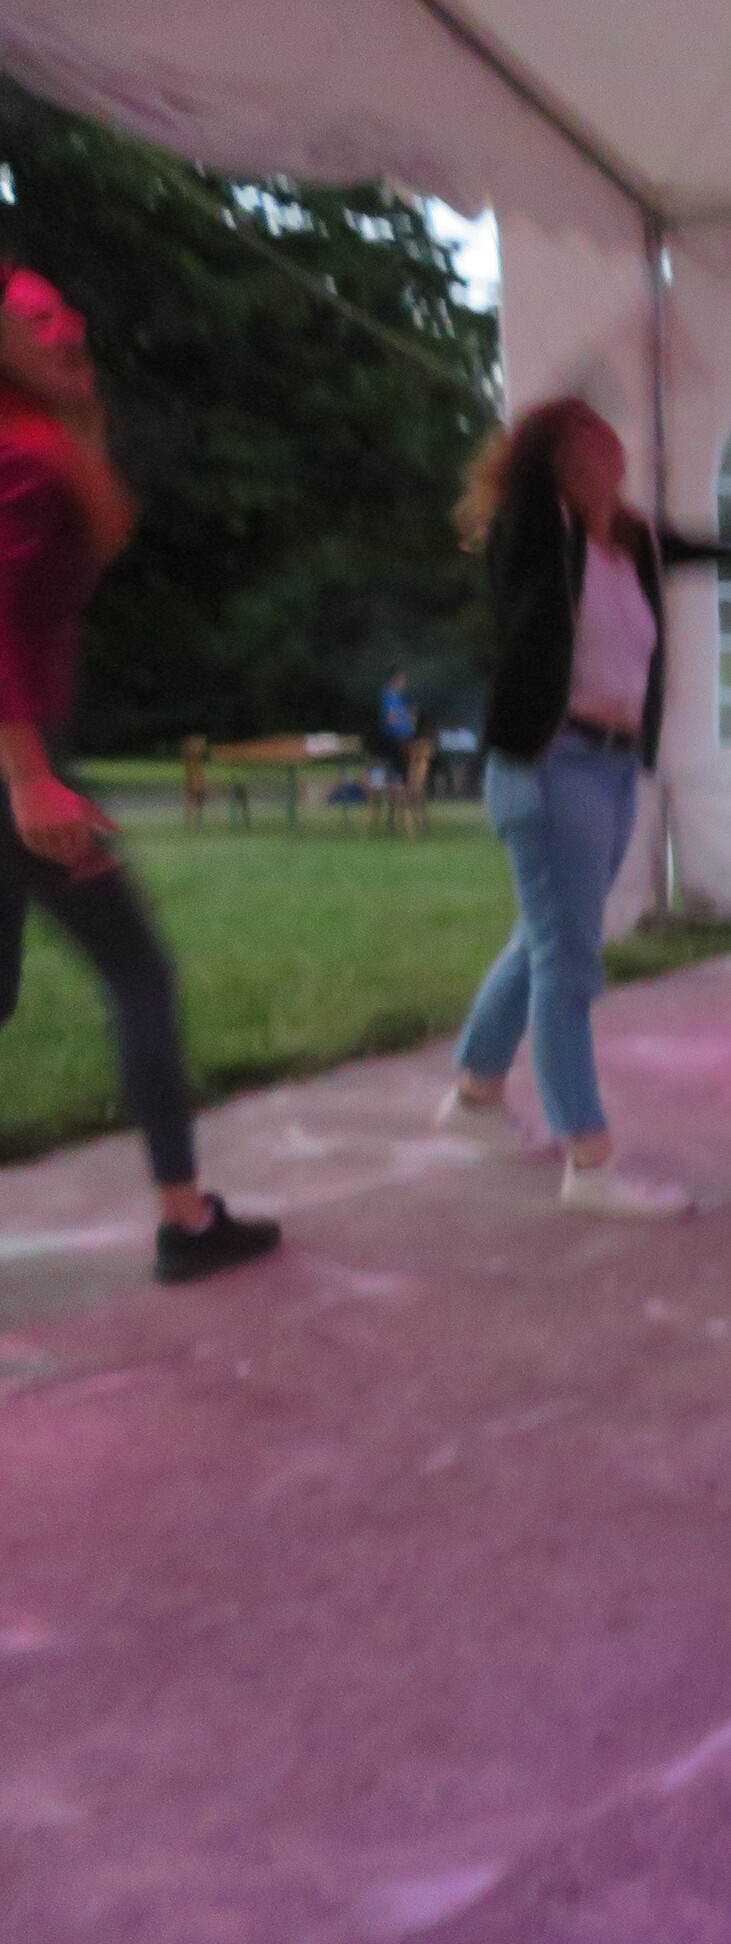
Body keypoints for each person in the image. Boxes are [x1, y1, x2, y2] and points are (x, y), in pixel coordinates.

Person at [0, 257, 281, 1282]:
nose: (64, 322)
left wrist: (80, 423)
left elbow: (107, 534)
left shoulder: (43, 440)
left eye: (64, 309)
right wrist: (30, 779)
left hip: (26, 753)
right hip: (16, 761)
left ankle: (185, 1216)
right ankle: (185, 1221)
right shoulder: (18, 454)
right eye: (34, 317)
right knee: (139, 973)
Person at [435, 398, 731, 1215]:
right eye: (593, 441)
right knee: (566, 964)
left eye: (611, 438)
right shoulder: (533, 537)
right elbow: (533, 507)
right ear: (558, 461)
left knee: (544, 941)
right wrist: (547, 444)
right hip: (549, 767)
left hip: (607, 767)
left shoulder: (628, 547)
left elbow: (704, 547)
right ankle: (589, 1163)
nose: (614, 450)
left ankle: (475, 1096)